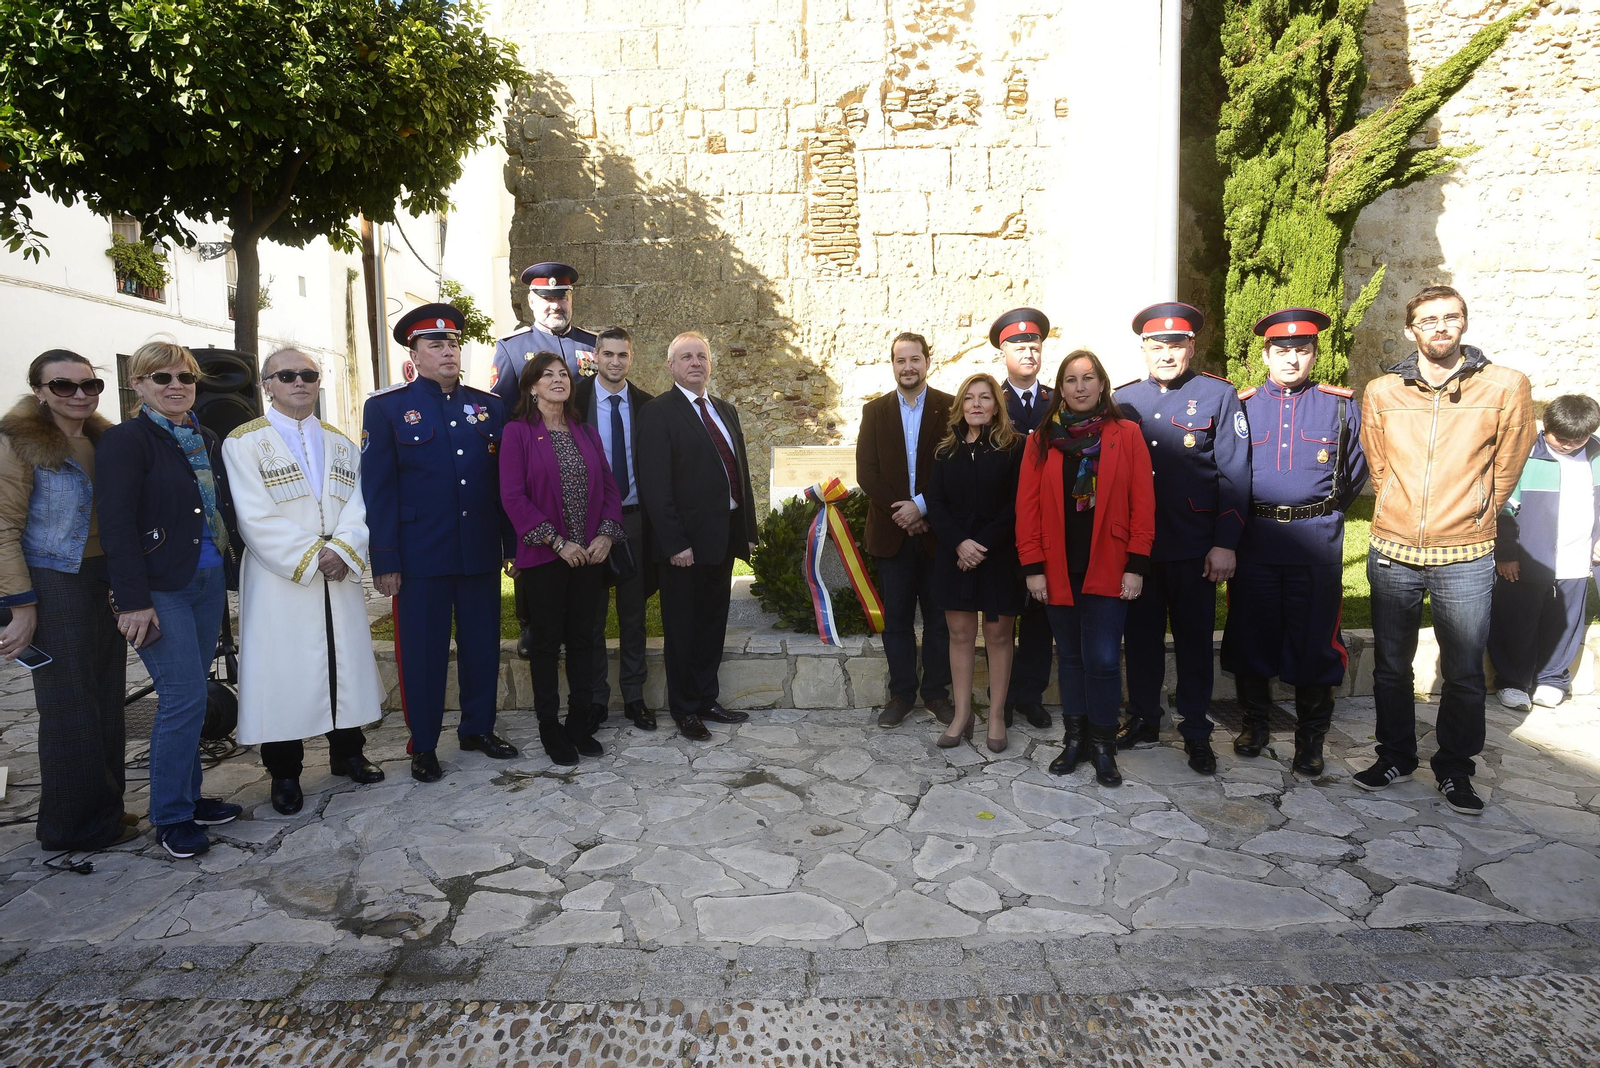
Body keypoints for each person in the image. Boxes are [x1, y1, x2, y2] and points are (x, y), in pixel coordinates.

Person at [1357, 284, 1535, 814]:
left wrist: (1479, 509)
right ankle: (1395, 754)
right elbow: (1378, 462)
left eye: (1450, 318)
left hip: (1465, 553)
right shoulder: (1383, 391)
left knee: (1462, 671)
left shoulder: (1505, 386)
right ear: (1411, 330)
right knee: (1391, 666)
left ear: (1463, 324)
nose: (1440, 327)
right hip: (1393, 550)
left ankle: (1456, 768)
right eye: (1428, 320)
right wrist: (1398, 504)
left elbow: (1509, 463)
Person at [222, 348, 385, 816]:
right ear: (267, 385)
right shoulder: (244, 441)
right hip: (281, 577)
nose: (300, 382)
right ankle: (285, 773)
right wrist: (315, 555)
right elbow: (253, 515)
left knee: (344, 661)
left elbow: (360, 503)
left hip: (339, 569)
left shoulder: (340, 442)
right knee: (283, 671)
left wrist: (345, 548)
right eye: (287, 375)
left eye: (309, 375)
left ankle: (348, 752)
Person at [97, 340, 242, 859]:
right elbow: (115, 525)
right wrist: (133, 600)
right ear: (137, 384)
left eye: (185, 378)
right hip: (159, 589)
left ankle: (188, 796)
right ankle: (172, 816)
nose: (176, 386)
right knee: (182, 698)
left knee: (195, 695)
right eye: (162, 378)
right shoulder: (126, 441)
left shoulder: (201, 436)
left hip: (204, 581)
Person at [363, 304, 518, 783]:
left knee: (481, 646)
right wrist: (385, 558)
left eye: (452, 343)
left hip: (477, 549)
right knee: (423, 652)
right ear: (414, 354)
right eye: (435, 344)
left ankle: (477, 728)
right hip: (419, 556)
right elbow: (379, 490)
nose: (448, 351)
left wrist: (511, 546)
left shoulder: (488, 406)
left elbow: (503, 484)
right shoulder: (387, 407)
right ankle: (424, 743)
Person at [1220, 309, 1368, 778]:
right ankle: (1255, 725)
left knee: (1315, 640)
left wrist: (1316, 511)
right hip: (1256, 540)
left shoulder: (1339, 405)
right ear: (1264, 354)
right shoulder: (1240, 405)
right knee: (1251, 633)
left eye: (1301, 350)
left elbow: (1354, 470)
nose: (1291, 359)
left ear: (1314, 354)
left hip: (1315, 542)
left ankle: (1310, 739)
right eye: (1281, 350)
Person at [0, 351, 136, 852]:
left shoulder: (107, 440)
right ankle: (69, 826)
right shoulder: (18, 443)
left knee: (106, 698)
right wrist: (22, 605)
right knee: (68, 706)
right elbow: (2, 528)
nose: (79, 394)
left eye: (90, 385)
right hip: (53, 580)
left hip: (105, 579)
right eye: (63, 386)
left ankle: (107, 808)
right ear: (38, 390)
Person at [1113, 301, 1250, 776]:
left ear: (1191, 346)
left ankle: (1195, 730)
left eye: (1176, 344)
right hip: (1140, 551)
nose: (1167, 354)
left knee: (1194, 643)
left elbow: (1234, 474)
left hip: (1195, 547)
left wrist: (1225, 542)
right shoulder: (1124, 400)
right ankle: (1145, 719)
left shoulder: (1217, 396)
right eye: (1157, 345)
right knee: (1142, 640)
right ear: (1145, 349)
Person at [1016, 349, 1155, 787]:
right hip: (1057, 568)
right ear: (1061, 388)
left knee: (1104, 660)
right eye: (1071, 379)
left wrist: (1136, 566)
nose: (1080, 387)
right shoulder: (1041, 439)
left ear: (1102, 385)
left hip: (1110, 567)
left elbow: (1142, 505)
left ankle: (1103, 747)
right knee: (1071, 658)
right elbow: (1028, 508)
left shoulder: (1126, 433)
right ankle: (1074, 741)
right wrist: (1033, 568)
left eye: (1088, 378)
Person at [501, 352, 625, 765]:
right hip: (545, 557)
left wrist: (606, 535)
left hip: (589, 556)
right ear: (532, 387)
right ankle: (550, 727)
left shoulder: (586, 432)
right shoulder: (518, 433)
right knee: (546, 644)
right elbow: (513, 497)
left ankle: (578, 722)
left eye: (563, 375)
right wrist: (556, 542)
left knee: (586, 641)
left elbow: (609, 489)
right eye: (547, 375)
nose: (558, 380)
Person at [637, 332, 756, 741]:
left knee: (711, 625)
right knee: (683, 629)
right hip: (684, 547)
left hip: (721, 540)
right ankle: (685, 708)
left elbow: (740, 475)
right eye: (685, 357)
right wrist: (675, 544)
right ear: (670, 366)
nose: (695, 363)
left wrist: (749, 533)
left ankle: (707, 698)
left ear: (710, 363)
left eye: (701, 356)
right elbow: (655, 486)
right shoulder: (658, 412)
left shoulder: (725, 410)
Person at [491, 261, 598, 660]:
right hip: (532, 464)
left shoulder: (591, 345)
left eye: (562, 297)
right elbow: (503, 416)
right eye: (547, 298)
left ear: (571, 300)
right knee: (533, 546)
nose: (556, 304)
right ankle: (529, 623)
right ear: (531, 302)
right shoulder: (511, 348)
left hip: (582, 460)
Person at [854, 332, 956, 728]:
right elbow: (868, 471)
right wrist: (903, 511)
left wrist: (922, 507)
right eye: (900, 360)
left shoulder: (950, 408)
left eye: (915, 359)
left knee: (938, 621)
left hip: (936, 532)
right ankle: (901, 694)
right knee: (895, 620)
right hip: (892, 531)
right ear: (892, 364)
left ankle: (937, 694)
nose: (908, 367)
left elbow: (953, 468)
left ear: (927, 361)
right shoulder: (874, 411)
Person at [924, 372, 1024, 753]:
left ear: (997, 405)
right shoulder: (944, 451)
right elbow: (936, 504)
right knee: (961, 635)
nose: (977, 405)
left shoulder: (1014, 447)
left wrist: (980, 544)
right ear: (960, 406)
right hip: (955, 556)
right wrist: (960, 544)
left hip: (998, 555)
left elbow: (1017, 505)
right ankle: (962, 714)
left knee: (999, 636)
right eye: (969, 398)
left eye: (985, 398)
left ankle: (996, 715)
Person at [1490, 394, 1600, 712]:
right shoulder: (1523, 455)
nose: (1567, 445)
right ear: (1545, 426)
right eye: (1560, 438)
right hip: (1528, 558)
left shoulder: (1595, 455)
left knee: (1564, 621)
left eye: (1577, 439)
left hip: (1577, 557)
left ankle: (1553, 679)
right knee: (1517, 620)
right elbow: (1502, 509)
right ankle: (1512, 682)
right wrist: (1506, 553)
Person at [572, 327, 657, 732]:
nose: (615, 362)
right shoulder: (574, 399)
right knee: (591, 617)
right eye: (608, 354)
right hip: (587, 522)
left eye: (623, 355)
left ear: (631, 357)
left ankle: (635, 697)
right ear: (596, 356)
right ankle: (595, 699)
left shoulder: (647, 405)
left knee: (633, 614)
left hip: (634, 520)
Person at [992, 308, 1055, 732]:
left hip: (1047, 529)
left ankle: (1029, 696)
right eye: (1019, 346)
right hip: (1000, 530)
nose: (1028, 352)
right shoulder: (988, 402)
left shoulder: (1058, 402)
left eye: (1034, 346)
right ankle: (1001, 698)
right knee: (1001, 617)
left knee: (1039, 617)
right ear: (1004, 351)